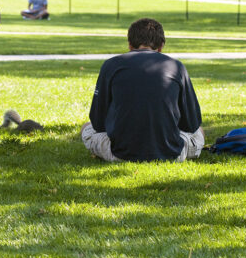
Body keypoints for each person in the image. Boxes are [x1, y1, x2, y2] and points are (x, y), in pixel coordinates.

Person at [81, 18, 204, 162]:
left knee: (86, 128)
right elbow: (192, 123)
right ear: (161, 46)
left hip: (120, 153)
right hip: (171, 153)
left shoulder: (111, 65)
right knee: (200, 131)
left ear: (130, 45)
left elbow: (98, 121)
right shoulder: (177, 67)